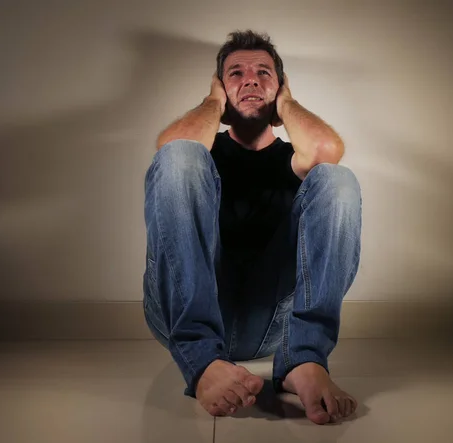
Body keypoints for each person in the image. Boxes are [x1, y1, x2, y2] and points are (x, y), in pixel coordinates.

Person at [142, 30, 362, 425]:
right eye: (236, 73)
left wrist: (288, 104)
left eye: (264, 73)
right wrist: (214, 104)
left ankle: (304, 359)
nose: (252, 80)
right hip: (181, 314)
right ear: (221, 89)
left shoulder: (293, 159)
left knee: (337, 179)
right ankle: (203, 360)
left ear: (278, 89)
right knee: (179, 157)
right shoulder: (200, 152)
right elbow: (171, 151)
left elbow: (326, 153)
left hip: (270, 322)